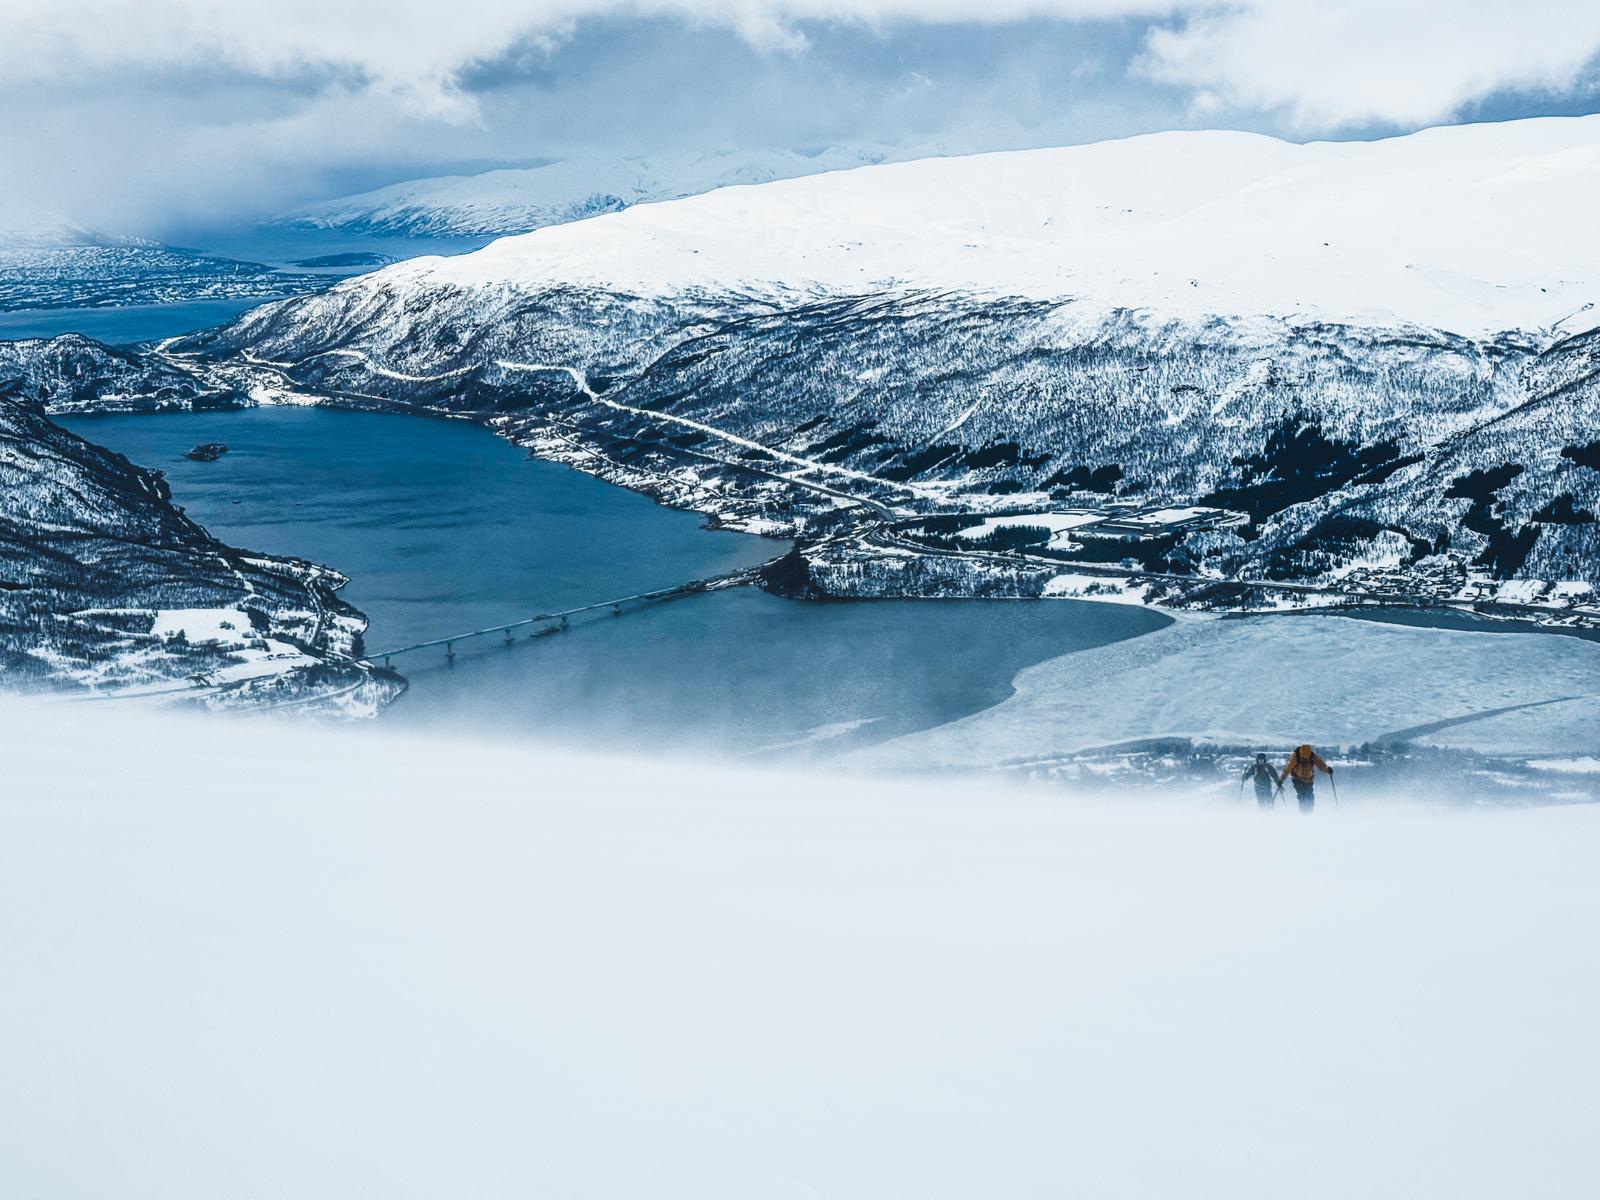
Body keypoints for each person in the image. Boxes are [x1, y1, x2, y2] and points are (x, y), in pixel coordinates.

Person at [1279, 744, 1333, 812]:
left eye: (1306, 758)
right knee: (1302, 795)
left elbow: (1320, 764)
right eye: (1303, 758)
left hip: (1308, 780)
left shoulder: (1312, 756)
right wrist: (1282, 779)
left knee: (1310, 797)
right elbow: (1288, 768)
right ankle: (1303, 812)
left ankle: (1309, 812)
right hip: (1297, 780)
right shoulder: (1296, 757)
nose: (1305, 759)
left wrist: (1327, 769)